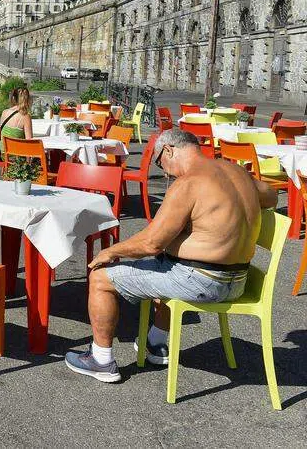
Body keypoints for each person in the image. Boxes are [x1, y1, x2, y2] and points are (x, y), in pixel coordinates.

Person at [65, 128, 277, 382]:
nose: (164, 172)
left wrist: (110, 252)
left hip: (202, 282)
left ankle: (101, 360)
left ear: (168, 150)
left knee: (100, 278)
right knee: (164, 264)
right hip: (238, 282)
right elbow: (271, 196)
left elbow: (152, 243)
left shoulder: (188, 183)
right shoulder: (237, 172)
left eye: (160, 163)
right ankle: (156, 343)